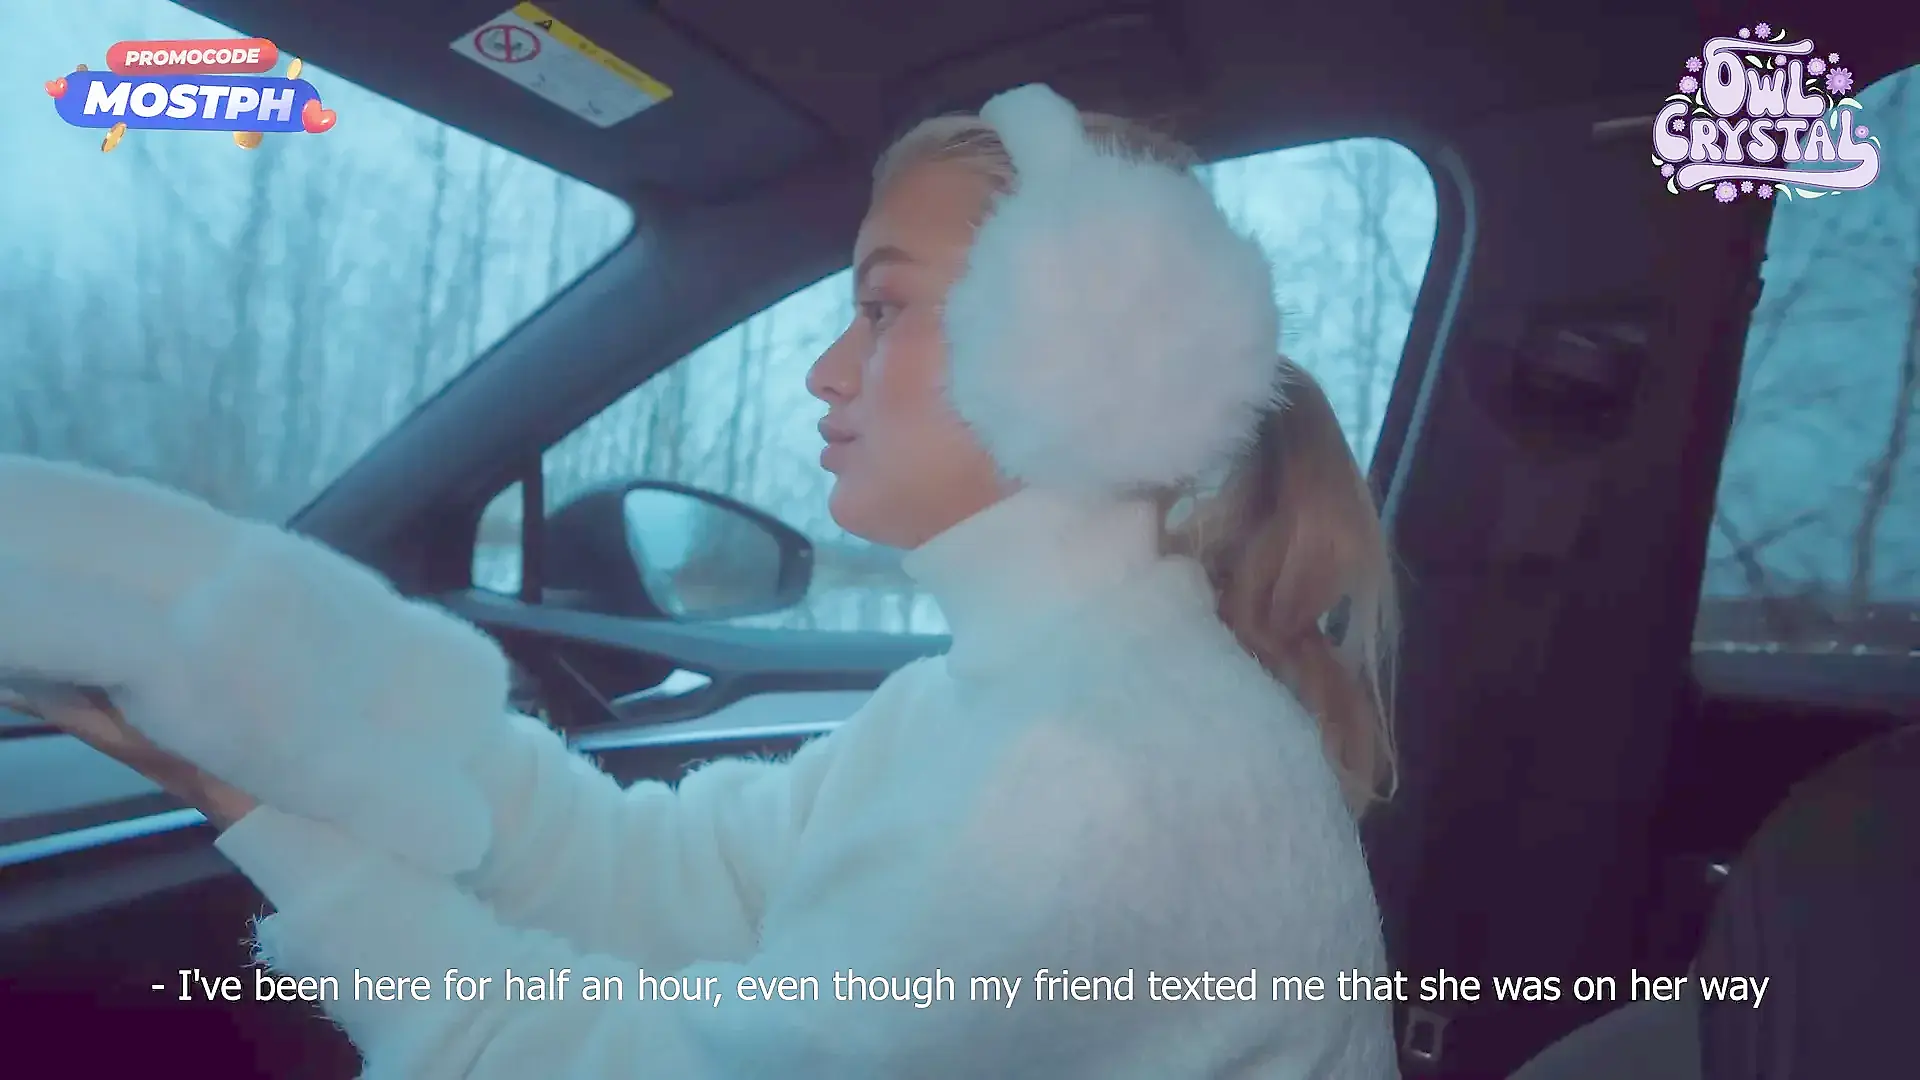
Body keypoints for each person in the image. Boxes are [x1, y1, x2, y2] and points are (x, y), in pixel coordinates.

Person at [0, 83, 1401, 1077]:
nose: (826, 371)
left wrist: (264, 815)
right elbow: (660, 876)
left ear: (1080, 349)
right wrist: (324, 707)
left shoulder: (1086, 782)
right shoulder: (1009, 703)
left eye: (882, 305)